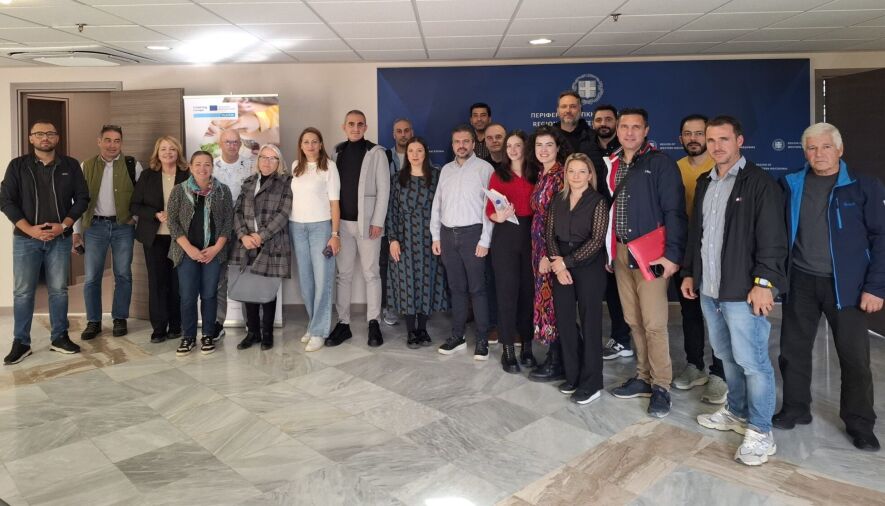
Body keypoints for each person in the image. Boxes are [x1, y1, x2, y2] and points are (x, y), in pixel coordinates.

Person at [682, 115, 787, 466]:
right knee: (726, 357)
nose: (716, 146)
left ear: (739, 141)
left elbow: (773, 240)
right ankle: (737, 412)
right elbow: (697, 235)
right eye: (711, 140)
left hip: (743, 292)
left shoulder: (759, 183)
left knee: (753, 362)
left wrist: (763, 284)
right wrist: (690, 273)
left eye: (723, 139)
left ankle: (761, 431)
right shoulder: (705, 182)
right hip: (710, 290)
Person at [776, 122, 884, 452]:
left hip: (848, 286)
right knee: (792, 351)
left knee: (854, 359)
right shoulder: (790, 183)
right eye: (811, 148)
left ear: (839, 150)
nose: (818, 154)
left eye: (825, 147)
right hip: (801, 280)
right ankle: (796, 408)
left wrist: (876, 287)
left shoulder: (864, 186)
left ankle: (860, 423)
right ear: (804, 152)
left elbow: (881, 237)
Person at [607, 108, 687, 419]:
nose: (629, 132)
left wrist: (673, 255)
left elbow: (674, 211)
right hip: (620, 252)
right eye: (624, 126)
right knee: (633, 320)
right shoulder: (613, 163)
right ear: (617, 130)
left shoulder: (660, 163)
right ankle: (643, 377)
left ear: (646, 130)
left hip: (651, 255)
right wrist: (609, 251)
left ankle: (661, 386)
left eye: (635, 127)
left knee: (654, 323)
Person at [1, 120, 89, 364]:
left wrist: (65, 226)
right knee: (23, 292)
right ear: (31, 138)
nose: (45, 138)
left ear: (57, 138)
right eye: (39, 134)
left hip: (59, 239)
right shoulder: (18, 166)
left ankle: (59, 337)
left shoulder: (70, 165)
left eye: (50, 133)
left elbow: (83, 198)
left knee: (59, 290)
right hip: (26, 240)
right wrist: (30, 230)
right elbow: (6, 200)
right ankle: (21, 342)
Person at [553, 92, 632, 361]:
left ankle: (621, 339)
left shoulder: (614, 146)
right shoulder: (573, 142)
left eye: (608, 120)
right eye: (599, 120)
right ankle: (574, 348)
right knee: (579, 297)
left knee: (614, 288)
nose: (603, 124)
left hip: (611, 222)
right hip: (578, 222)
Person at [544, 153, 609, 404]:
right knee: (565, 322)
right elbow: (549, 234)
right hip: (561, 264)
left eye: (582, 171)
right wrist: (558, 266)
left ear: (590, 175)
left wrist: (566, 262)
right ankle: (573, 375)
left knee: (591, 324)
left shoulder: (598, 201)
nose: (576, 176)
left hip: (589, 266)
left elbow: (597, 240)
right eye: (571, 171)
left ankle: (592, 383)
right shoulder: (558, 200)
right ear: (566, 174)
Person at [673, 114, 727, 404]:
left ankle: (720, 373)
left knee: (718, 315)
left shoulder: (720, 166)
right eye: (687, 133)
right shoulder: (675, 168)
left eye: (698, 133)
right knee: (690, 312)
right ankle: (694, 365)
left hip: (716, 253)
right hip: (685, 252)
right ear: (680, 138)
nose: (693, 138)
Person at [73, 125, 143, 341]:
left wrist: (134, 219)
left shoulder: (132, 165)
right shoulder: (86, 166)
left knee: (123, 275)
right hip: (95, 227)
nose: (112, 145)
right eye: (108, 140)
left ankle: (120, 318)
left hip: (123, 227)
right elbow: (77, 200)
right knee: (92, 277)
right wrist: (76, 232)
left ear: (121, 143)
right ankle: (93, 321)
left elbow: (142, 196)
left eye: (117, 140)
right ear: (99, 141)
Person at [431, 124, 494, 360]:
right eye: (457, 142)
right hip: (448, 235)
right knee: (456, 288)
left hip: (473, 234)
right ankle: (457, 337)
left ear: (473, 143)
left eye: (466, 141)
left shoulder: (485, 169)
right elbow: (438, 204)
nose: (461, 145)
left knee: (477, 289)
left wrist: (485, 239)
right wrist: (436, 236)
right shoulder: (446, 170)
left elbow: (490, 208)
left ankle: (482, 340)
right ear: (452, 144)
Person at [329, 110, 390, 347]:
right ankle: (343, 323)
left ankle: (373, 322)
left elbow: (384, 189)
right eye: (351, 124)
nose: (355, 128)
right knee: (343, 275)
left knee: (371, 273)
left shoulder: (377, 152)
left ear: (365, 127)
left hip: (368, 225)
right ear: (344, 126)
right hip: (342, 225)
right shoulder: (337, 152)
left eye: (360, 124)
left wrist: (378, 221)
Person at [167, 151, 234, 356]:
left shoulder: (223, 191)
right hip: (186, 252)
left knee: (209, 294)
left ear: (212, 167)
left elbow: (228, 223)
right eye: (198, 164)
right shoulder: (179, 190)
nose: (202, 168)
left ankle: (207, 335)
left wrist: (215, 249)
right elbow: (172, 222)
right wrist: (189, 249)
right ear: (190, 166)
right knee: (188, 296)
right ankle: (188, 337)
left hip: (213, 253)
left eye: (206, 164)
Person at [388, 137, 448, 348]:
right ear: (406, 154)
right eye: (411, 151)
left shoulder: (437, 177)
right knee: (407, 284)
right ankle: (411, 331)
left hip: (430, 238)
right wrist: (393, 239)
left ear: (425, 153)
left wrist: (440, 237)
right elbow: (392, 211)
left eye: (419, 150)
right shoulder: (398, 178)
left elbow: (443, 208)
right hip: (404, 238)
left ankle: (422, 328)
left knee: (426, 282)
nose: (415, 154)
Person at [231, 144, 293, 351]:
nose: (267, 162)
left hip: (271, 242)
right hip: (247, 243)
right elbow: (237, 211)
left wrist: (261, 236)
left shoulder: (286, 182)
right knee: (249, 288)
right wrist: (243, 236)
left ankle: (267, 333)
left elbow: (283, 214)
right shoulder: (248, 182)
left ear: (279, 162)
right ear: (258, 161)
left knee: (267, 290)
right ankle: (252, 333)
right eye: (263, 157)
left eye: (272, 158)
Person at [130, 136, 189, 343]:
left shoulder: (187, 174)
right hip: (154, 238)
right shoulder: (147, 175)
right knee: (157, 283)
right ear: (157, 152)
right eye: (163, 149)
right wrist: (155, 214)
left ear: (178, 152)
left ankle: (176, 325)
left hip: (180, 238)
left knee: (178, 283)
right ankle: (159, 328)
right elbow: (134, 205)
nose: (168, 153)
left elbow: (197, 203)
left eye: (172, 149)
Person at [487, 130, 537, 372]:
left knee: (528, 293)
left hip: (531, 236)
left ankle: (527, 346)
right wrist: (497, 216)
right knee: (506, 293)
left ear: (525, 147)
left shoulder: (536, 172)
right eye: (509, 146)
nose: (513, 150)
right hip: (506, 235)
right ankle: (508, 349)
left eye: (518, 145)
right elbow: (489, 209)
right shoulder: (499, 175)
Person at [290, 127, 341, 353]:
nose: (310, 146)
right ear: (301, 146)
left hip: (321, 227)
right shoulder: (295, 167)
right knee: (306, 281)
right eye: (306, 142)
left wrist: (335, 235)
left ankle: (320, 331)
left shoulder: (329, 167)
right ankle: (313, 325)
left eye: (314, 141)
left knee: (323, 280)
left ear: (321, 144)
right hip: (296, 227)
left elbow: (335, 204)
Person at [528, 125, 570, 382]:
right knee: (545, 304)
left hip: (550, 251)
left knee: (552, 304)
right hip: (538, 249)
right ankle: (558, 356)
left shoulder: (561, 176)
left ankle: (558, 361)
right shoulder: (542, 174)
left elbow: (559, 220)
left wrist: (548, 254)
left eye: (549, 145)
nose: (543, 150)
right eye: (539, 145)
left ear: (558, 148)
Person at [212, 129, 255, 339]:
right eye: (228, 142)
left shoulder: (250, 165)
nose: (232, 145)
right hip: (218, 229)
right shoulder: (211, 166)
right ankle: (217, 323)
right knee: (219, 277)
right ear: (220, 143)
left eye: (236, 142)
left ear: (240, 144)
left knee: (245, 275)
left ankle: (250, 323)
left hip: (244, 229)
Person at [381, 118, 414, 327]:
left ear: (412, 133)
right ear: (394, 134)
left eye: (406, 130)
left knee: (411, 266)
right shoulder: (384, 156)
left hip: (413, 223)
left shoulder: (421, 156)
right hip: (388, 218)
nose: (403, 134)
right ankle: (390, 307)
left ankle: (414, 307)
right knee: (388, 266)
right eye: (399, 131)